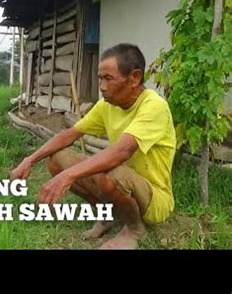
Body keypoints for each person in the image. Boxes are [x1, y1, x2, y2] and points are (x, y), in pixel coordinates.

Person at [10, 43, 176, 249]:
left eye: (109, 78)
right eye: (100, 78)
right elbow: (68, 135)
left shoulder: (154, 106)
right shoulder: (107, 105)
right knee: (58, 160)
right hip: (123, 180)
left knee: (109, 173)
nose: (102, 86)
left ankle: (135, 229)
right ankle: (108, 215)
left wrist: (67, 177)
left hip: (154, 198)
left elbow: (122, 151)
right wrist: (29, 160)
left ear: (134, 77)